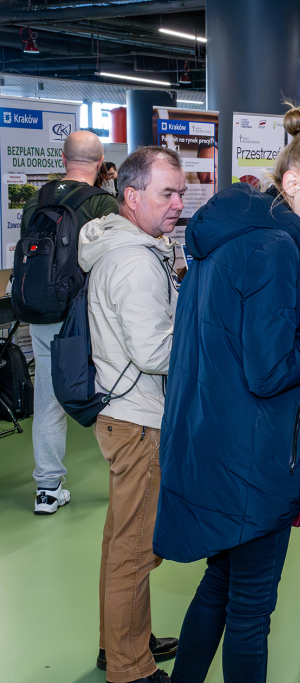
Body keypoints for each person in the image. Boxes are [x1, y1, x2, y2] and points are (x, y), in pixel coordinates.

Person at [154, 103, 300, 683]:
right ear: (293, 183)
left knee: (219, 586)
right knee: (251, 613)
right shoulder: (273, 251)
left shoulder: (232, 236)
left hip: (217, 445)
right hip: (254, 459)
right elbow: (271, 370)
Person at [79, 146, 184, 683]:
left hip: (125, 413)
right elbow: (154, 352)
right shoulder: (134, 261)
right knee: (135, 549)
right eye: (168, 193)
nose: (178, 204)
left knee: (123, 541)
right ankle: (129, 667)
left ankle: (121, 641)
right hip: (139, 418)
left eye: (181, 193)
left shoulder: (129, 250)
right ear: (133, 196)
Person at [22, 130, 118, 514]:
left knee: (48, 397)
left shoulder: (36, 200)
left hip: (43, 312)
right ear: (99, 164)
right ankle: (123, 472)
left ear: (63, 159)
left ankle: (46, 488)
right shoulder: (102, 203)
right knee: (108, 391)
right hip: (87, 316)